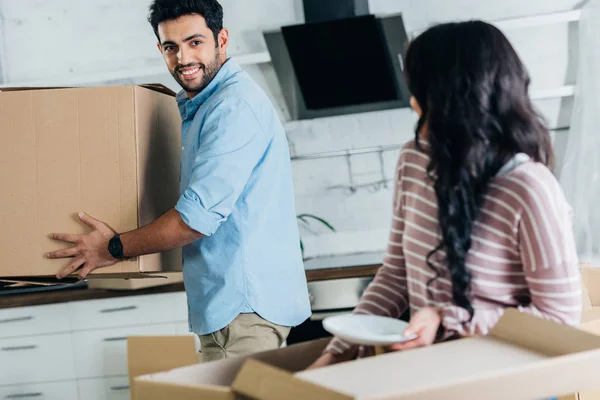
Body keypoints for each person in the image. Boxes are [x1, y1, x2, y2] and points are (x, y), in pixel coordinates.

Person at [46, 0, 311, 362]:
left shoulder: (231, 109)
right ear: (160, 49)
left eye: (195, 42)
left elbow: (194, 220)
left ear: (222, 39)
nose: (183, 58)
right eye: (171, 47)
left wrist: (111, 247)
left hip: (242, 306)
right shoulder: (202, 106)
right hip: (232, 307)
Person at [310, 20, 582, 369]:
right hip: (430, 377)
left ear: (452, 99)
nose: (412, 101)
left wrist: (449, 317)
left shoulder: (529, 187)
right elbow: (396, 274)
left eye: (419, 89)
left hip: (506, 383)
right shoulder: (414, 159)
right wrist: (334, 353)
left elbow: (560, 318)